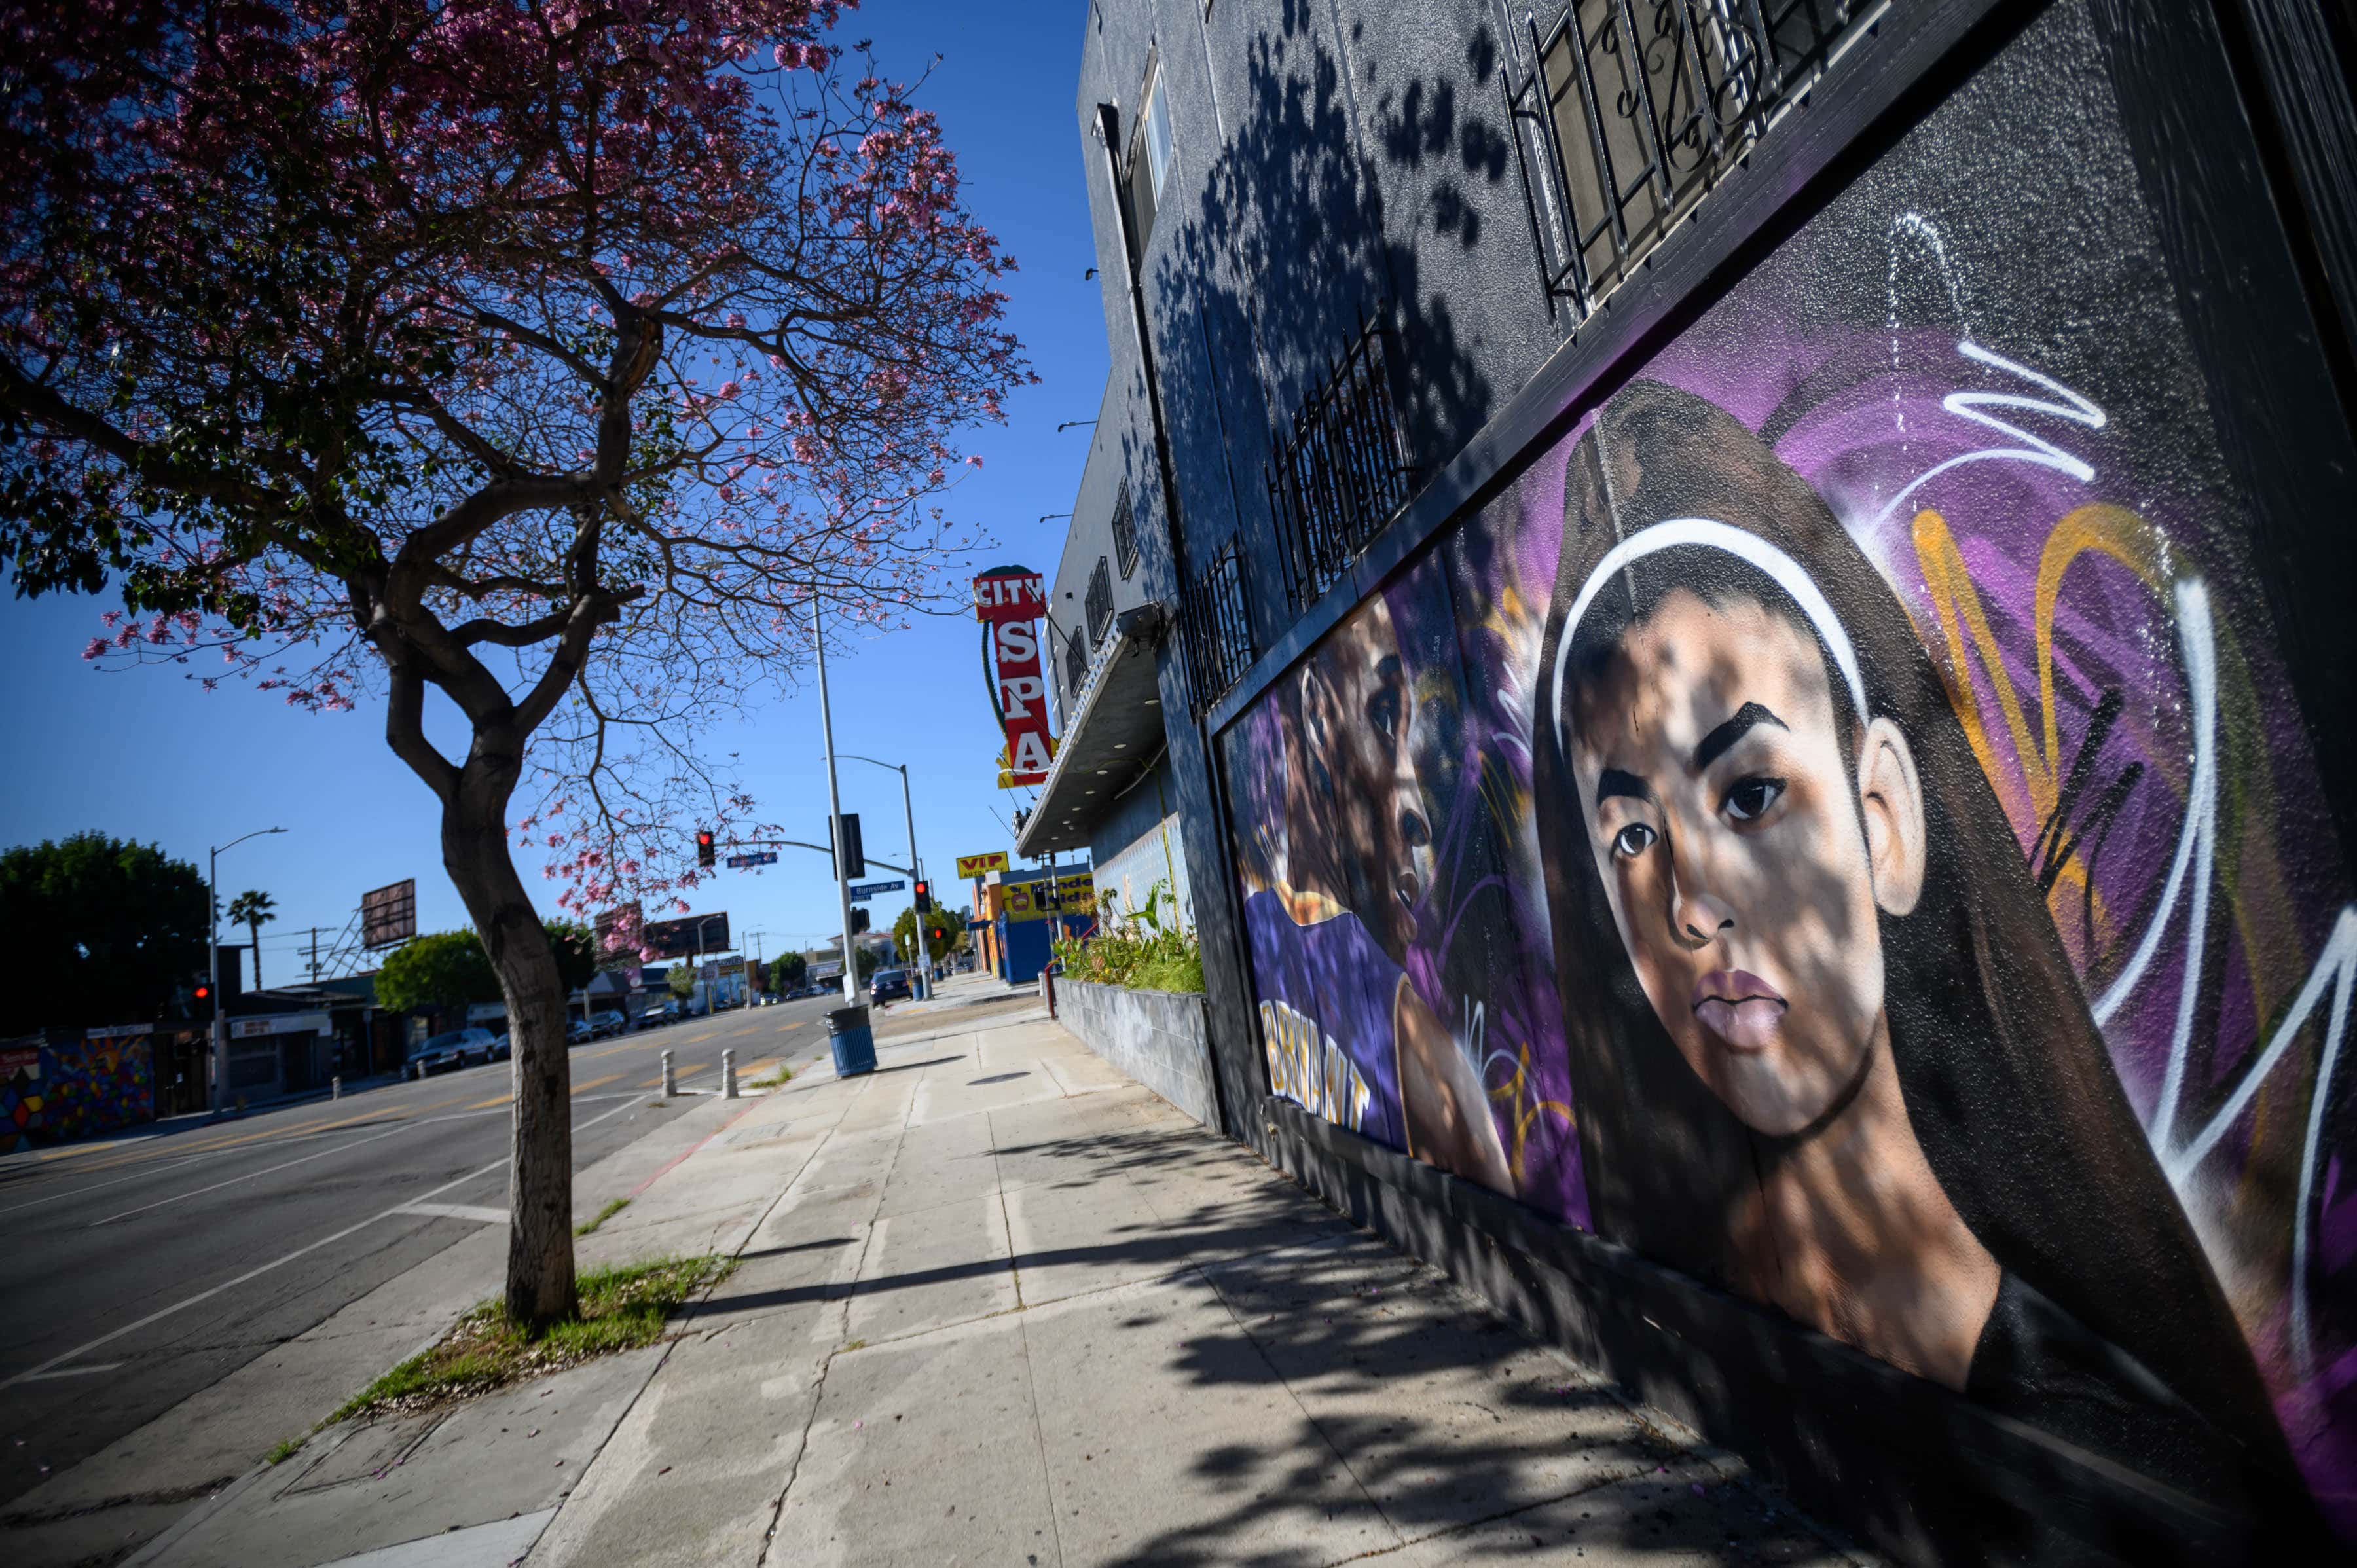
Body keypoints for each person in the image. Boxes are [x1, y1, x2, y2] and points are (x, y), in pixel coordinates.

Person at [1529, 378, 2314, 1522]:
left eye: (1750, 795)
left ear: (1883, 819)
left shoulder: (2122, 1445)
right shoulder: (1658, 1318)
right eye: (1635, 835)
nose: (1691, 904)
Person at [1246, 592, 1513, 1194]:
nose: (1416, 809)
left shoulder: (1264, 930)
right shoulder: (1409, 1033)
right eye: (1386, 716)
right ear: (1317, 715)